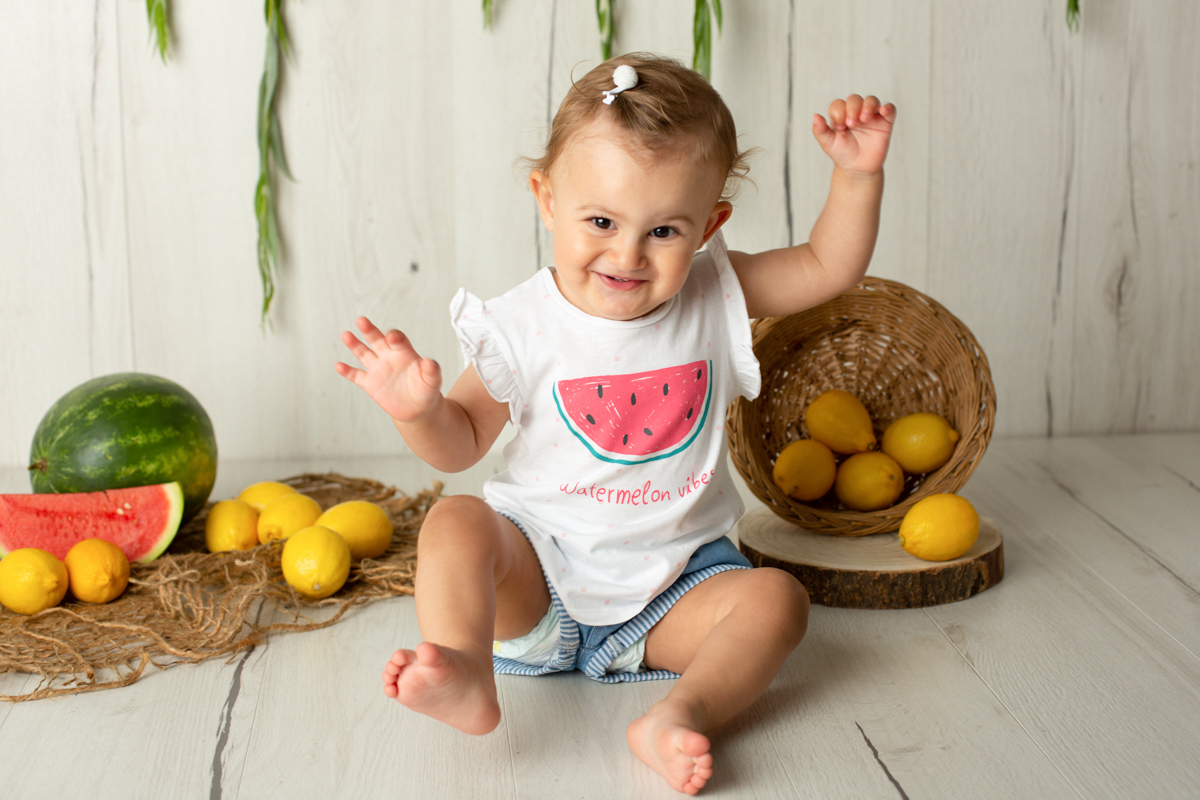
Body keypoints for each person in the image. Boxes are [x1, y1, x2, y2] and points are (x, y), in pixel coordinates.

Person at [336, 52, 895, 795]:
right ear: (546, 199)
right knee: (456, 522)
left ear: (709, 226)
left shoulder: (717, 291)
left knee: (777, 599)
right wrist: (419, 412)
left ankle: (678, 712)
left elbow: (828, 264)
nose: (627, 255)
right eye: (600, 221)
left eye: (664, 230)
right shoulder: (521, 326)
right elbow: (462, 444)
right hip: (538, 575)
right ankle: (466, 669)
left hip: (675, 589)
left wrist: (857, 176)